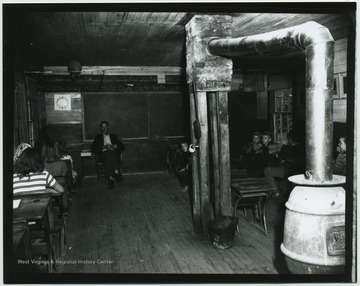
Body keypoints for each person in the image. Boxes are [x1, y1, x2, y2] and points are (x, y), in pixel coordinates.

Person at [264, 131, 304, 197]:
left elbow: (282, 160)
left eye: (288, 138)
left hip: (289, 171)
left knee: (267, 170)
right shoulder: (303, 147)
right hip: (299, 172)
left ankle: (276, 192)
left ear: (290, 139)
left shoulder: (290, 148)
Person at [91, 121, 125, 189]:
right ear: (101, 128)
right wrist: (104, 147)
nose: (104, 128)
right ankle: (116, 172)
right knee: (110, 154)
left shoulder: (113, 136)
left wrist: (116, 146)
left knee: (110, 155)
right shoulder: (98, 137)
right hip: (103, 155)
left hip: (112, 156)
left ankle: (110, 179)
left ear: (108, 127)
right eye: (103, 127)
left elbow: (122, 147)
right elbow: (93, 147)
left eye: (106, 126)